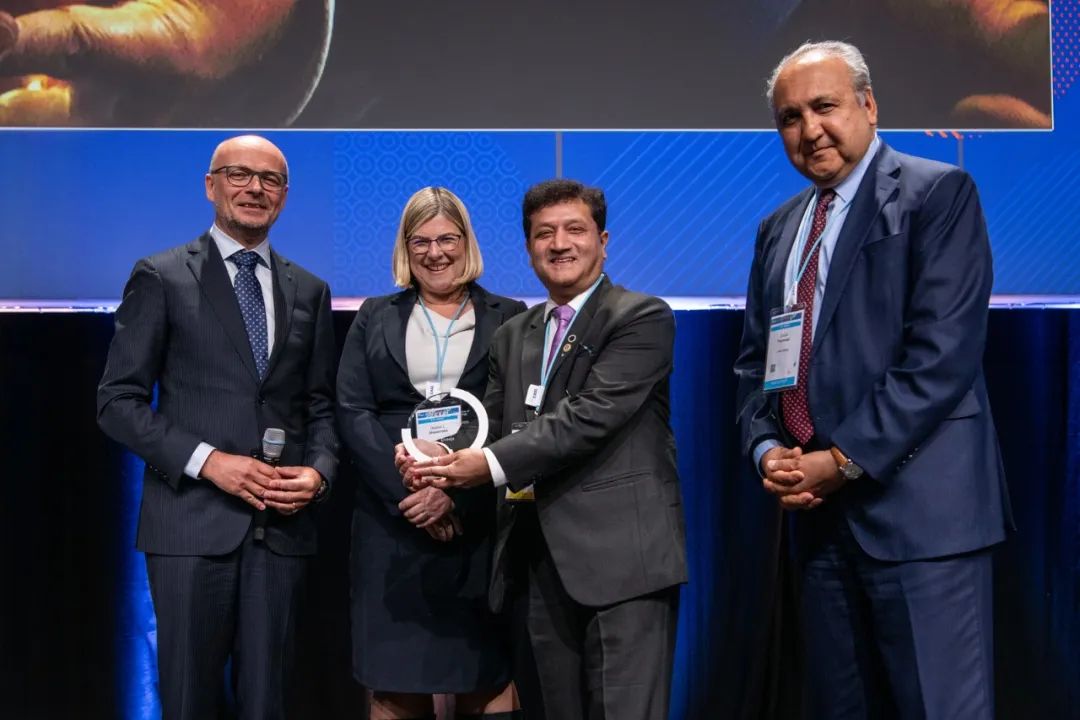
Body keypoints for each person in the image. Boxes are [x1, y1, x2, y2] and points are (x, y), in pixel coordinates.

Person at [734, 41, 1011, 718]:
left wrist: (842, 460)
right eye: (790, 118)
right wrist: (768, 451)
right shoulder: (778, 228)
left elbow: (941, 355)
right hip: (817, 526)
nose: (810, 129)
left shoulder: (937, 193)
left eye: (824, 106)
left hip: (920, 523)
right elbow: (756, 366)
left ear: (869, 105)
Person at [406, 179, 688, 720]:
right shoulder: (514, 334)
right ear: (529, 246)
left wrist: (484, 465)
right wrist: (432, 460)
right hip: (533, 566)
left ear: (603, 241)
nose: (559, 244)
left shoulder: (641, 316)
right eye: (544, 234)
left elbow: (589, 417)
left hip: (623, 566)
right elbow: (489, 428)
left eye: (574, 230)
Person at [96, 135, 339, 720]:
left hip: (279, 533)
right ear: (211, 186)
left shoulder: (309, 290)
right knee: (187, 702)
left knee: (269, 704)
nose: (254, 188)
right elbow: (117, 402)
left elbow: (321, 408)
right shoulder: (161, 275)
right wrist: (209, 461)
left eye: (270, 179)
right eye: (239, 174)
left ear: (284, 195)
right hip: (188, 528)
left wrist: (319, 474)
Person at [336, 187, 526, 720]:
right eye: (420, 241)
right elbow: (352, 411)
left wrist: (454, 496)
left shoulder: (510, 316)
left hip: (476, 524)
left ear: (467, 242)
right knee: (395, 684)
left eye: (447, 239)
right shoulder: (374, 315)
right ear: (405, 247)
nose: (435, 252)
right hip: (391, 524)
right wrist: (412, 494)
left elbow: (515, 419)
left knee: (485, 676)